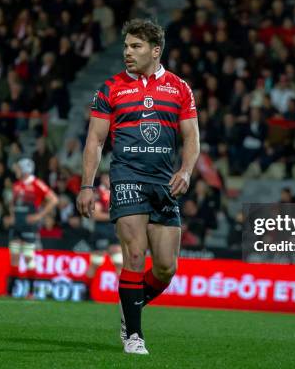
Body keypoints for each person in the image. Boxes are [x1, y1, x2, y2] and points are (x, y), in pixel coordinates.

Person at [76, 19, 200, 355]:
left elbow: (191, 137)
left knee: (165, 267)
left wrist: (186, 171)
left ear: (155, 50)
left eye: (136, 47)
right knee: (133, 255)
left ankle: (129, 306)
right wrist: (87, 184)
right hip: (126, 179)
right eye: (126, 46)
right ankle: (134, 335)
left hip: (164, 184)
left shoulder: (179, 88)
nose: (127, 53)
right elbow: (95, 140)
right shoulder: (110, 88)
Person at [8, 158, 58, 297]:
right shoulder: (16, 185)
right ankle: (10, 292)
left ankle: (31, 292)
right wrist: (12, 214)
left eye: (18, 168)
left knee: (29, 258)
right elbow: (13, 203)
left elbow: (53, 199)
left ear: (25, 169)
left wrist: (39, 216)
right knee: (14, 257)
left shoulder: (37, 183)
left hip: (29, 226)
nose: (16, 170)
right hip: (17, 225)